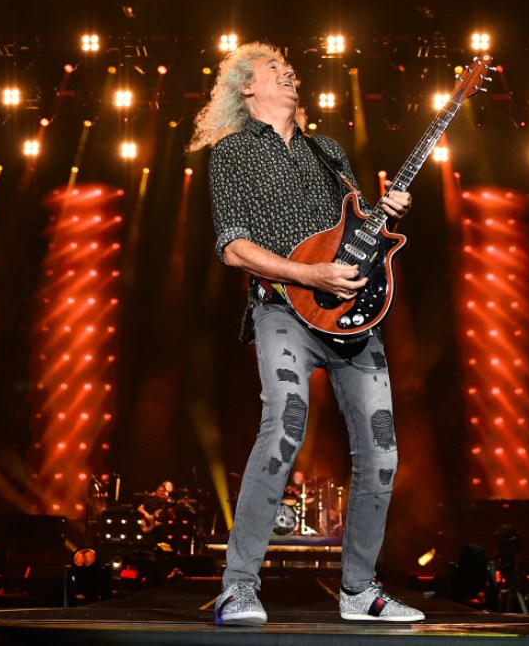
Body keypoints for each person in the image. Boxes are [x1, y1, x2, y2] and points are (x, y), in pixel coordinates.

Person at [190, 41, 424, 625]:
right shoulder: (234, 152)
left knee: (383, 455)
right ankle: (238, 587)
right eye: (275, 68)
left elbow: (355, 231)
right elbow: (232, 246)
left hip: (351, 320)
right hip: (280, 310)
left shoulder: (329, 150)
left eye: (291, 68)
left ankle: (360, 591)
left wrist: (384, 216)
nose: (289, 73)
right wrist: (308, 273)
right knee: (283, 431)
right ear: (246, 88)